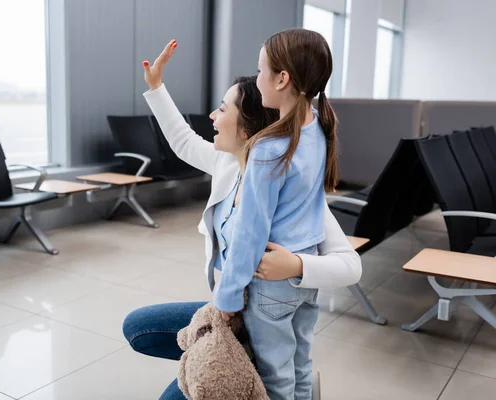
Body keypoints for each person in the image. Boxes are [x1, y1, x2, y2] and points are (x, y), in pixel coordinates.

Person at [123, 33, 361, 400]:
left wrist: (296, 265)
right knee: (138, 327)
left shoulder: (272, 159)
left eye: (223, 108)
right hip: (250, 308)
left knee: (270, 377)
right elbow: (183, 140)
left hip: (256, 303)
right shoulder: (234, 161)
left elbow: (348, 266)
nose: (212, 116)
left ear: (247, 128)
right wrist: (156, 88)